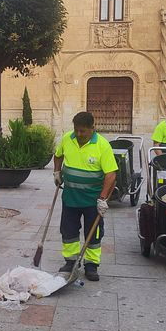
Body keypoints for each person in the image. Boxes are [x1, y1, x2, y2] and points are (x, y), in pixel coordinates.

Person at [52, 112, 118, 281]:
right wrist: (57, 172)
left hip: (92, 200)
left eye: (83, 131)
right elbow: (58, 154)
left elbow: (111, 174)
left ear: (92, 129)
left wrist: (103, 199)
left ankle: (91, 264)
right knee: (68, 230)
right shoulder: (68, 138)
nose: (79, 134)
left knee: (94, 232)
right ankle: (71, 261)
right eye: (76, 130)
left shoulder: (102, 145)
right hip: (71, 197)